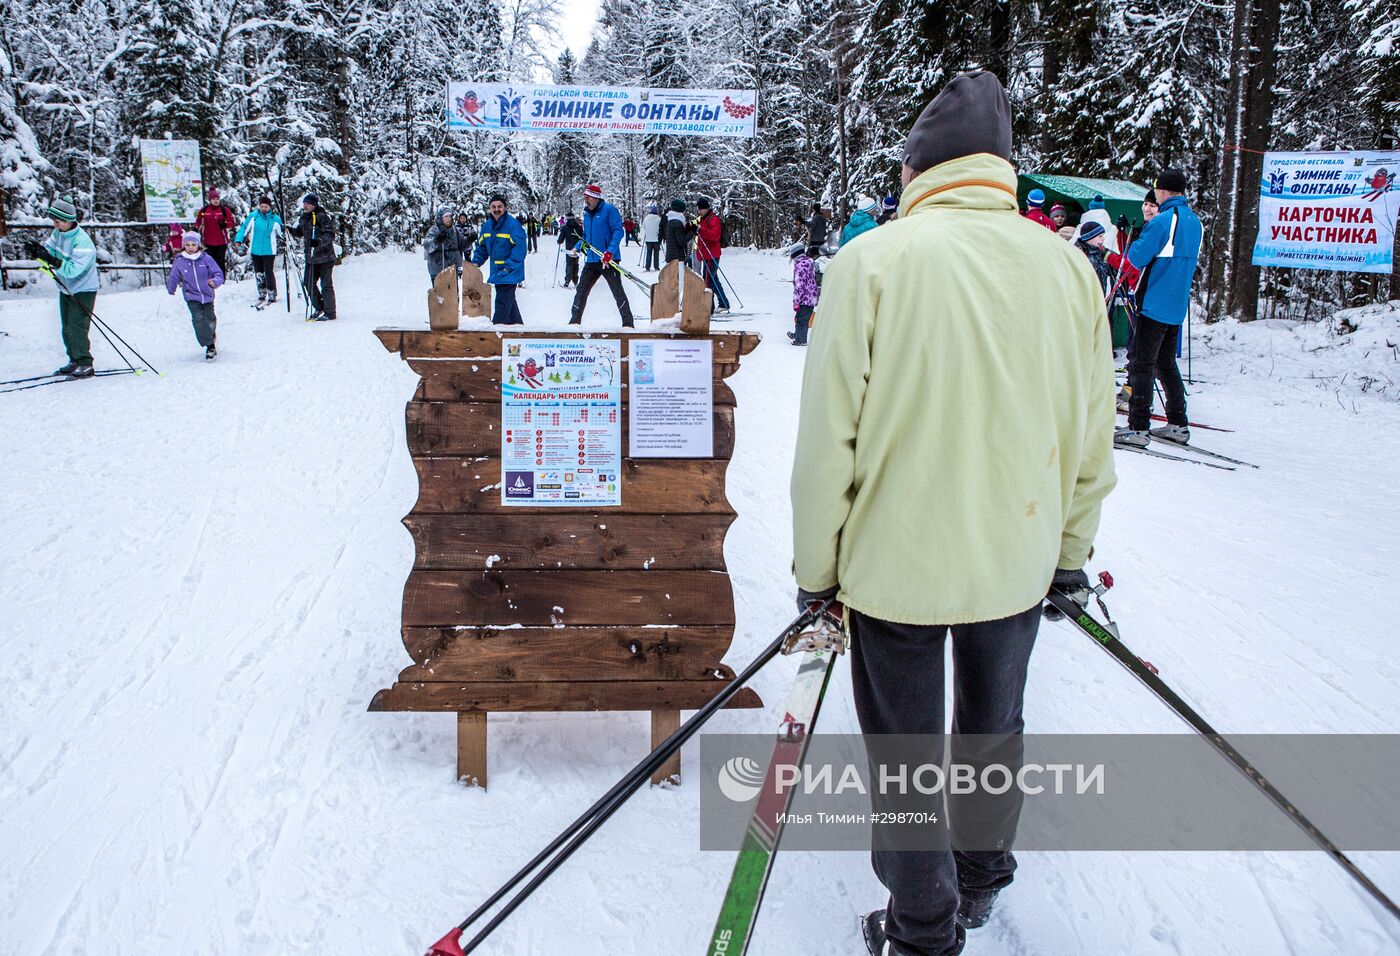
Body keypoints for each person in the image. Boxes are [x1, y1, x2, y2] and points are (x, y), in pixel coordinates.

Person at [790, 70, 1115, 956]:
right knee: (991, 727)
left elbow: (829, 445)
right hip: (1015, 560)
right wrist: (1070, 552)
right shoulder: (1068, 269)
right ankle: (978, 877)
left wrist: (816, 574)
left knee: (904, 750)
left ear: (919, 168)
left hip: (895, 567)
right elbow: (1092, 438)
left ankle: (922, 926)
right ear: (1002, 169)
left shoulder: (871, 262)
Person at [1116, 167, 1202, 448]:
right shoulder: (1195, 221)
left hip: (1154, 303)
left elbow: (1137, 257)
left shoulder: (1164, 220)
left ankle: (1138, 428)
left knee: (1142, 363)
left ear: (1163, 192)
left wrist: (1139, 236)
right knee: (1166, 363)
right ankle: (1178, 422)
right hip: (1176, 305)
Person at [24, 195, 99, 378]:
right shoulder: (59, 233)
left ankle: (85, 363)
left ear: (69, 220)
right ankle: (74, 360)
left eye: (58, 221)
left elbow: (73, 270)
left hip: (83, 289)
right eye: (54, 221)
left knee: (76, 326)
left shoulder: (82, 242)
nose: (56, 225)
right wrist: (39, 252)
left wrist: (52, 260)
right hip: (66, 288)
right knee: (66, 326)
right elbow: (49, 250)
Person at [569, 184, 634, 327]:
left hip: (608, 260)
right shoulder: (587, 214)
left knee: (617, 291)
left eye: (588, 197)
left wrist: (609, 251)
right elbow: (586, 236)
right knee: (581, 291)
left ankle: (628, 323)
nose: (586, 200)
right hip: (592, 259)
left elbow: (618, 231)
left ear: (596, 198)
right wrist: (577, 247)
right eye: (585, 197)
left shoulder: (609, 211)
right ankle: (574, 322)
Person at [166, 231, 225, 360]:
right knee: (198, 318)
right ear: (183, 246)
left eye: (193, 244)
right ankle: (209, 345)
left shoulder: (206, 259)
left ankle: (211, 336)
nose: (190, 247)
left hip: (207, 294)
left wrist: (214, 282)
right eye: (187, 245)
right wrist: (171, 288)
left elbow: (219, 274)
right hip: (191, 295)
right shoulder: (180, 261)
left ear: (198, 245)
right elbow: (174, 276)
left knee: (209, 319)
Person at [471, 194, 528, 325]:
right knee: (509, 303)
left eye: (499, 206)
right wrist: (476, 261)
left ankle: (497, 331)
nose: (496, 209)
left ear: (505, 208)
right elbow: (482, 246)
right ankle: (518, 329)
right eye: (493, 206)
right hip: (497, 271)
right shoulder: (487, 226)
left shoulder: (513, 225)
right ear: (489, 209)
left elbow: (520, 249)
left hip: (510, 272)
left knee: (502, 302)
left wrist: (509, 266)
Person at [287, 192, 337, 321]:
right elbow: (300, 232)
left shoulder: (322, 216)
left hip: (325, 257)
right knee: (308, 282)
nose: (305, 206)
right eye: (304, 203)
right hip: (311, 258)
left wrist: (319, 241)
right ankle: (319, 307)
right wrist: (289, 230)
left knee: (326, 285)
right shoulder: (304, 218)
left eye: (307, 203)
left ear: (314, 204)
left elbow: (330, 234)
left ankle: (330, 312)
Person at [234, 195, 283, 307]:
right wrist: (238, 240)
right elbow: (243, 228)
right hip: (255, 250)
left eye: (266, 206)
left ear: (269, 207)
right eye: (261, 206)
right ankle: (261, 292)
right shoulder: (253, 216)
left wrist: (286, 234)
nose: (263, 208)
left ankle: (272, 293)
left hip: (269, 250)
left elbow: (282, 233)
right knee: (259, 272)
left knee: (268, 272)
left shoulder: (274, 219)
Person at [693, 197, 729, 314]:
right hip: (706, 254)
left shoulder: (713, 219)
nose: (699, 211)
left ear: (706, 209)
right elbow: (692, 226)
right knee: (713, 279)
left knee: (708, 281)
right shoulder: (702, 219)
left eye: (701, 209)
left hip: (712, 254)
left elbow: (715, 236)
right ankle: (723, 303)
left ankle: (709, 307)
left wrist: (701, 230)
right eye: (698, 210)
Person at [194, 188, 237, 273]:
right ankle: (211, 278)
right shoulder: (204, 210)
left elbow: (231, 222)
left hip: (221, 241)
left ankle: (221, 279)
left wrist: (225, 224)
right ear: (210, 200)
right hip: (208, 241)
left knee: (220, 260)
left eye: (217, 199)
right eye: (213, 199)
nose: (216, 201)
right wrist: (196, 228)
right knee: (209, 260)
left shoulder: (224, 210)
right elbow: (198, 221)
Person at [786, 242, 819, 346]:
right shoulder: (808, 263)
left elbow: (799, 286)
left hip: (805, 298)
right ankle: (798, 334)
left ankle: (801, 340)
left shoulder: (800, 267)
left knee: (802, 319)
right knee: (801, 316)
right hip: (811, 297)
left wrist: (796, 301)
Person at [424, 206, 464, 281]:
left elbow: (462, 245)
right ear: (440, 218)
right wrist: (437, 240)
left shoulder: (454, 230)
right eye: (446, 216)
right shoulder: (434, 230)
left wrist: (469, 240)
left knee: (453, 292)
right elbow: (427, 246)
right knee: (440, 292)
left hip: (452, 269)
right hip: (438, 270)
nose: (448, 218)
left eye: (450, 216)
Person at [663, 198, 694, 267]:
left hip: (672, 255)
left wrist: (687, 230)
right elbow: (682, 241)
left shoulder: (671, 220)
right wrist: (692, 232)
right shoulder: (677, 222)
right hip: (677, 258)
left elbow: (678, 236)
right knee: (679, 277)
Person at [558, 211, 583, 288]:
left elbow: (560, 240)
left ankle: (567, 281)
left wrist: (559, 241)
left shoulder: (565, 228)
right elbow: (582, 237)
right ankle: (575, 281)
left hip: (569, 249)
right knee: (576, 264)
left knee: (569, 264)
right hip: (577, 249)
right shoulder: (579, 227)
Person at [642, 203, 663, 271]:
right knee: (656, 253)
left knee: (648, 253)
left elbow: (643, 227)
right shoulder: (658, 219)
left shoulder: (646, 218)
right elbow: (660, 228)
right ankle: (656, 267)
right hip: (656, 239)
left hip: (648, 239)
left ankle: (647, 266)